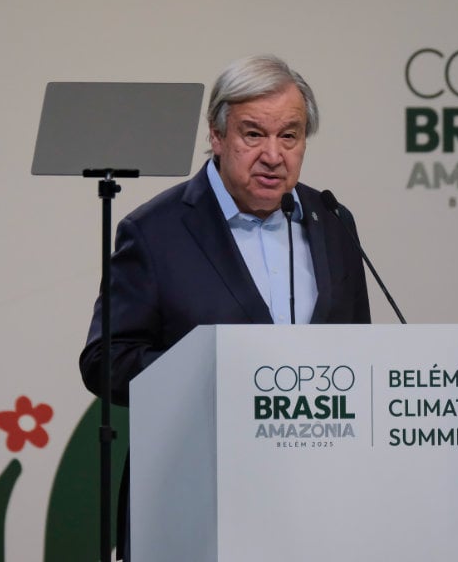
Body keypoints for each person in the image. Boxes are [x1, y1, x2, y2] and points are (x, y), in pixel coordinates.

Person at [79, 54, 371, 560]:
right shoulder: (155, 231)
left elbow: (360, 350)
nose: (273, 155)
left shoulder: (332, 221)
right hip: (195, 505)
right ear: (217, 136)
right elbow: (106, 362)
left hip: (316, 507)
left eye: (290, 136)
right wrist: (213, 370)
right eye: (253, 134)